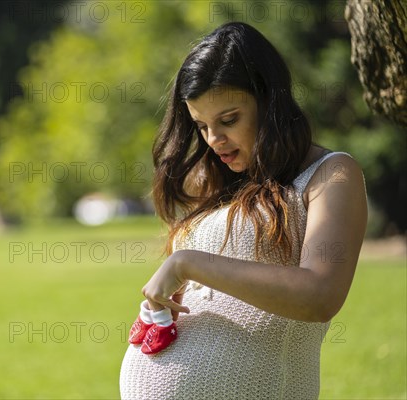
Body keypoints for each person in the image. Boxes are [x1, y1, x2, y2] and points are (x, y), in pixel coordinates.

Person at [119, 21, 367, 399]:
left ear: (269, 101)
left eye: (228, 120)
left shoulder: (331, 174)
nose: (214, 140)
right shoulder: (213, 180)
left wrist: (187, 263)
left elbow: (321, 295)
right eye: (201, 125)